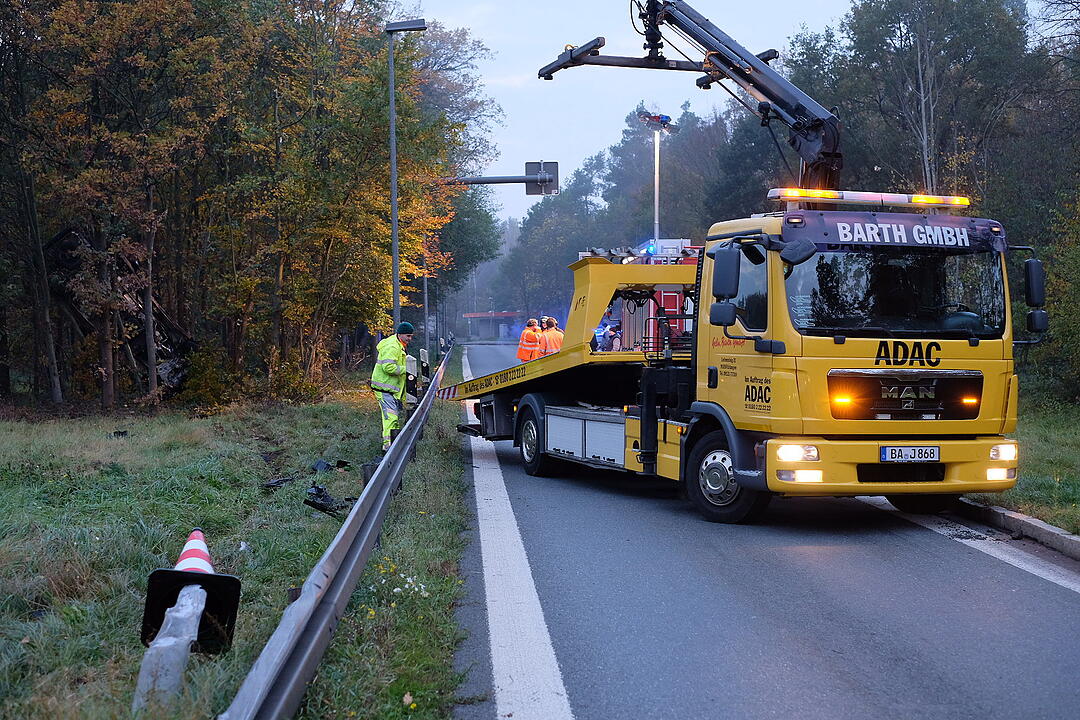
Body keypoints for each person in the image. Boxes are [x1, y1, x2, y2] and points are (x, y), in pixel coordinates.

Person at [370, 322, 414, 451]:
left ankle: (392, 445)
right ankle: (388, 447)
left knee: (392, 417)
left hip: (389, 389)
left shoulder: (399, 345)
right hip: (384, 389)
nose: (410, 339)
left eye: (411, 336)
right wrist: (407, 370)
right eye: (408, 336)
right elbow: (388, 367)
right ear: (400, 334)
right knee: (391, 417)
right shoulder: (392, 346)